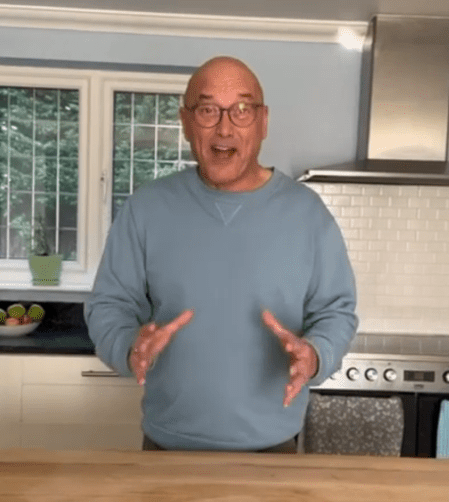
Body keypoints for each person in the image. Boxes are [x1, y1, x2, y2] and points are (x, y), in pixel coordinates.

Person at [84, 56, 357, 452]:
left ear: (263, 122)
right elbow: (109, 304)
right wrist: (129, 346)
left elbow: (336, 312)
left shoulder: (308, 214)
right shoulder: (146, 208)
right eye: (208, 110)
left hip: (273, 451)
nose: (224, 127)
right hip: (165, 449)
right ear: (185, 121)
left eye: (242, 110)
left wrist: (315, 355)